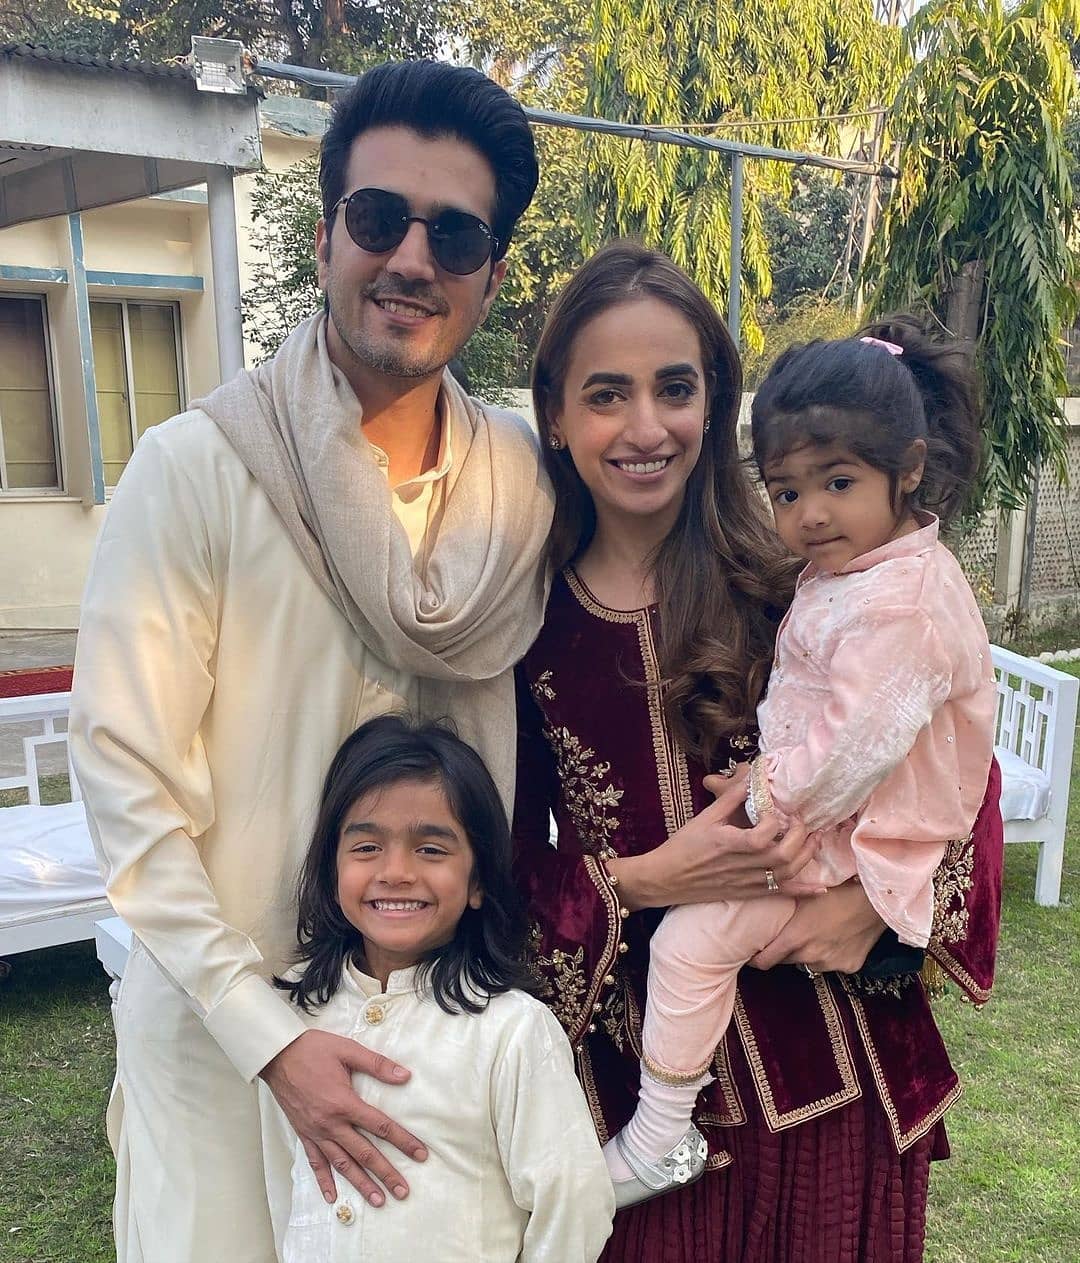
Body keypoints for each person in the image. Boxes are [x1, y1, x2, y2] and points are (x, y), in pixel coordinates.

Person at [69, 60, 551, 1263]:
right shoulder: (197, 468)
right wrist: (266, 1035)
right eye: (380, 219)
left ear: (491, 271)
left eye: (456, 233)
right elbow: (129, 789)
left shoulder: (524, 488)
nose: (411, 260)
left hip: (434, 1040)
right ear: (329, 232)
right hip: (226, 1042)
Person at [514, 241, 1003, 1262]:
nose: (646, 427)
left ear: (715, 402)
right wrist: (637, 881)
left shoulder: (810, 578)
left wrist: (873, 908)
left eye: (676, 389)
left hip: (843, 1071)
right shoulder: (514, 626)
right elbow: (488, 864)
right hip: (641, 1095)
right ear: (554, 415)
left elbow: (964, 772)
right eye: (607, 394)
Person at [259, 714, 614, 1262]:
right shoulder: (291, 1018)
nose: (396, 871)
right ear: (332, 868)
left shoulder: (512, 1030)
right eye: (366, 847)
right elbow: (291, 1188)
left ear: (477, 882)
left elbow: (573, 1204)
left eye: (430, 849)